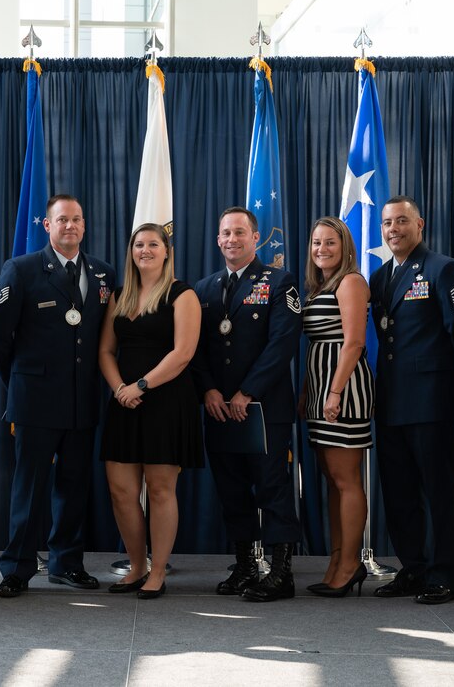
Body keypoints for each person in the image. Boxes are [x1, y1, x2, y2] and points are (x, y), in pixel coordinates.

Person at [0, 194, 114, 598]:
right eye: (62, 220)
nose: (70, 226)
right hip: (35, 400)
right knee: (30, 486)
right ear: (47, 225)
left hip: (82, 399)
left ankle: (66, 563)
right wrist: (21, 380)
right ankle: (18, 567)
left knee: (74, 486)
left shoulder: (104, 274)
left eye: (76, 219)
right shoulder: (21, 270)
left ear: (84, 224)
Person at [192, 207, 303, 603]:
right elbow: (197, 349)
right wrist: (208, 391)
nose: (231, 239)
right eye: (225, 233)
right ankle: (244, 566)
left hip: (263, 409)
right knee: (232, 490)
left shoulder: (280, 281)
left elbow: (283, 343)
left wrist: (248, 391)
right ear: (217, 240)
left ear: (256, 239)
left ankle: (281, 571)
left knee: (272, 488)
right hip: (219, 409)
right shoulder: (204, 289)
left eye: (240, 232)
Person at [369, 196, 454, 605]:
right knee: (399, 492)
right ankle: (413, 568)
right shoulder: (379, 278)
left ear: (420, 224)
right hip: (390, 401)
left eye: (401, 221)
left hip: (432, 401)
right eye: (387, 223)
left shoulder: (444, 269)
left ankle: (445, 575)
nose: (393, 229)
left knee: (439, 492)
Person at [98, 223, 202, 599]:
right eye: (138, 244)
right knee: (121, 491)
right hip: (124, 401)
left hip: (166, 401)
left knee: (160, 489)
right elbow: (106, 351)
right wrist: (119, 389)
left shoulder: (182, 293)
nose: (145, 250)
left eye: (153, 244)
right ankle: (136, 566)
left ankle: (158, 571)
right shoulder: (120, 294)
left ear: (166, 251)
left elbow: (183, 353)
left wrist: (140, 386)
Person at [299, 216, 373, 599]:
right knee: (332, 481)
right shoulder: (320, 286)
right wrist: (310, 393)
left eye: (330, 242)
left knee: (347, 481)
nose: (322, 249)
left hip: (344, 393)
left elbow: (355, 343)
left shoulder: (351, 282)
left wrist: (335, 391)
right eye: (316, 243)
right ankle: (337, 559)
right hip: (321, 393)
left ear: (345, 246)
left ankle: (350, 564)